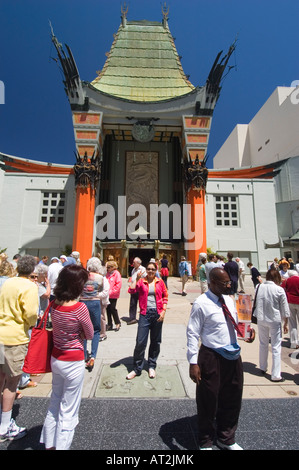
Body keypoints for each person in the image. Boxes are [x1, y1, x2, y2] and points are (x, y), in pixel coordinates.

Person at [187, 267, 244, 450]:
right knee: (208, 399)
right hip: (211, 356)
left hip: (232, 355)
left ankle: (226, 437)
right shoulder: (201, 303)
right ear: (211, 282)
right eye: (224, 283)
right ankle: (206, 440)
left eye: (229, 282)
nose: (228, 285)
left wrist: (245, 334)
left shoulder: (229, 299)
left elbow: (233, 325)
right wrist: (193, 362)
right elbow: (192, 333)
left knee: (232, 397)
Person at [40, 265, 94, 450]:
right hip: (73, 360)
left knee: (55, 400)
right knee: (69, 409)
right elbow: (89, 334)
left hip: (56, 357)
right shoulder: (79, 308)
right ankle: (62, 445)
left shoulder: (54, 305)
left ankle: (49, 443)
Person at [0, 255, 39, 442]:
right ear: (32, 270)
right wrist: (31, 323)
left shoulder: (7, 282)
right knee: (12, 382)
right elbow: (31, 314)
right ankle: (5, 426)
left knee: (0, 378)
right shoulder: (30, 287)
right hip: (15, 337)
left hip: (0, 332)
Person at [126, 261, 168, 380]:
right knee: (140, 342)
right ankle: (137, 368)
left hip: (157, 314)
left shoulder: (160, 282)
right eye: (148, 269)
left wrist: (163, 311)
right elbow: (131, 290)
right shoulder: (142, 281)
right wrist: (136, 279)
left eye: (152, 269)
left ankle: (151, 365)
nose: (150, 271)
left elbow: (165, 296)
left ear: (156, 271)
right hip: (145, 314)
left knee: (155, 341)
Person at [253, 269, 290, 382]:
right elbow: (284, 307)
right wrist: (286, 322)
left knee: (263, 343)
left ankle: (263, 366)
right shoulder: (279, 289)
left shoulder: (259, 287)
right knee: (276, 346)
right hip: (274, 319)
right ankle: (275, 374)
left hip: (261, 318)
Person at [80, 257, 104, 371]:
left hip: (83, 302)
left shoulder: (82, 276)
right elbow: (102, 289)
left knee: (83, 329)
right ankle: (93, 355)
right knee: (96, 329)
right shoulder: (100, 278)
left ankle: (84, 354)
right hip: (94, 302)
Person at [282, 270, 299, 349]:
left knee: (292, 323)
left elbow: (282, 289)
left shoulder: (287, 281)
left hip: (290, 302)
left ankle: (294, 342)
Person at [127, 257, 146, 325]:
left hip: (140, 288)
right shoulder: (133, 270)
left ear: (138, 263)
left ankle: (142, 317)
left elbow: (145, 278)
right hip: (133, 288)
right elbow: (132, 277)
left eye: (134, 263)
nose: (133, 264)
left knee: (142, 303)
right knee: (132, 303)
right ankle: (132, 318)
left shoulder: (143, 269)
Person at [106, 261, 122, 331]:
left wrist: (111, 291)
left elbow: (118, 285)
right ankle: (109, 324)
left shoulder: (117, 274)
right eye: (107, 267)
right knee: (108, 309)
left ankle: (117, 322)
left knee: (113, 308)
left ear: (113, 267)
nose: (107, 269)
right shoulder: (108, 274)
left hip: (113, 295)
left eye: (109, 267)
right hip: (107, 295)